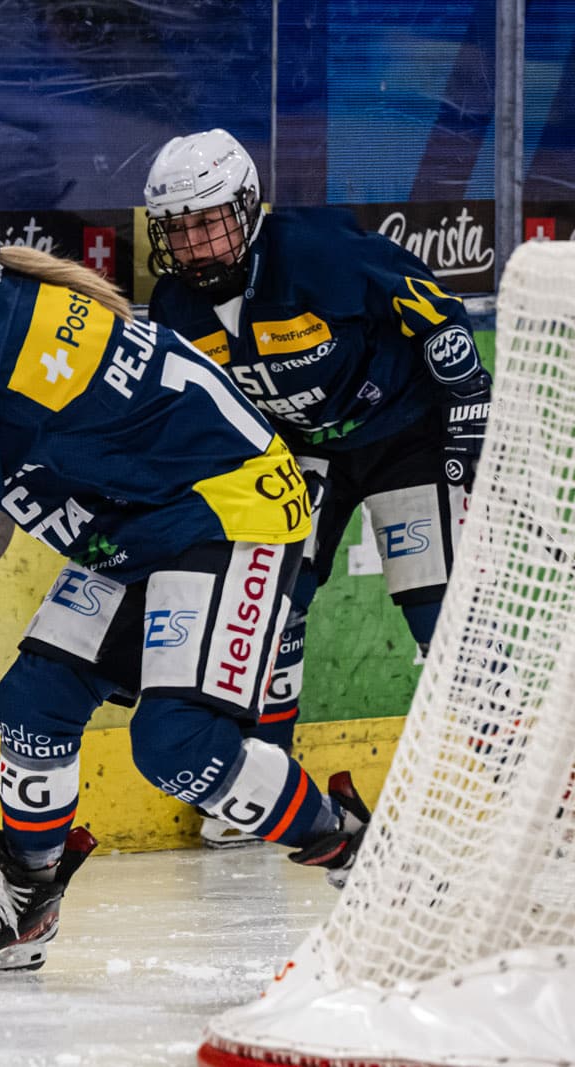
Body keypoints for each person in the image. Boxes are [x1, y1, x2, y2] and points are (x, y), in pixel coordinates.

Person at [0, 160, 373, 978]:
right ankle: (27, 898)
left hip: (229, 512)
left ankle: (355, 849)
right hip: (142, 525)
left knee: (178, 743)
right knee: (35, 697)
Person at [143, 130, 491, 848]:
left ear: (246, 207)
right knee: (269, 610)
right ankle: (266, 779)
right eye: (178, 229)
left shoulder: (317, 250)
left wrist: (467, 403)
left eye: (209, 220)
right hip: (298, 452)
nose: (196, 244)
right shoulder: (175, 311)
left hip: (402, 436)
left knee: (440, 614)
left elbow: (432, 311)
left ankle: (524, 771)